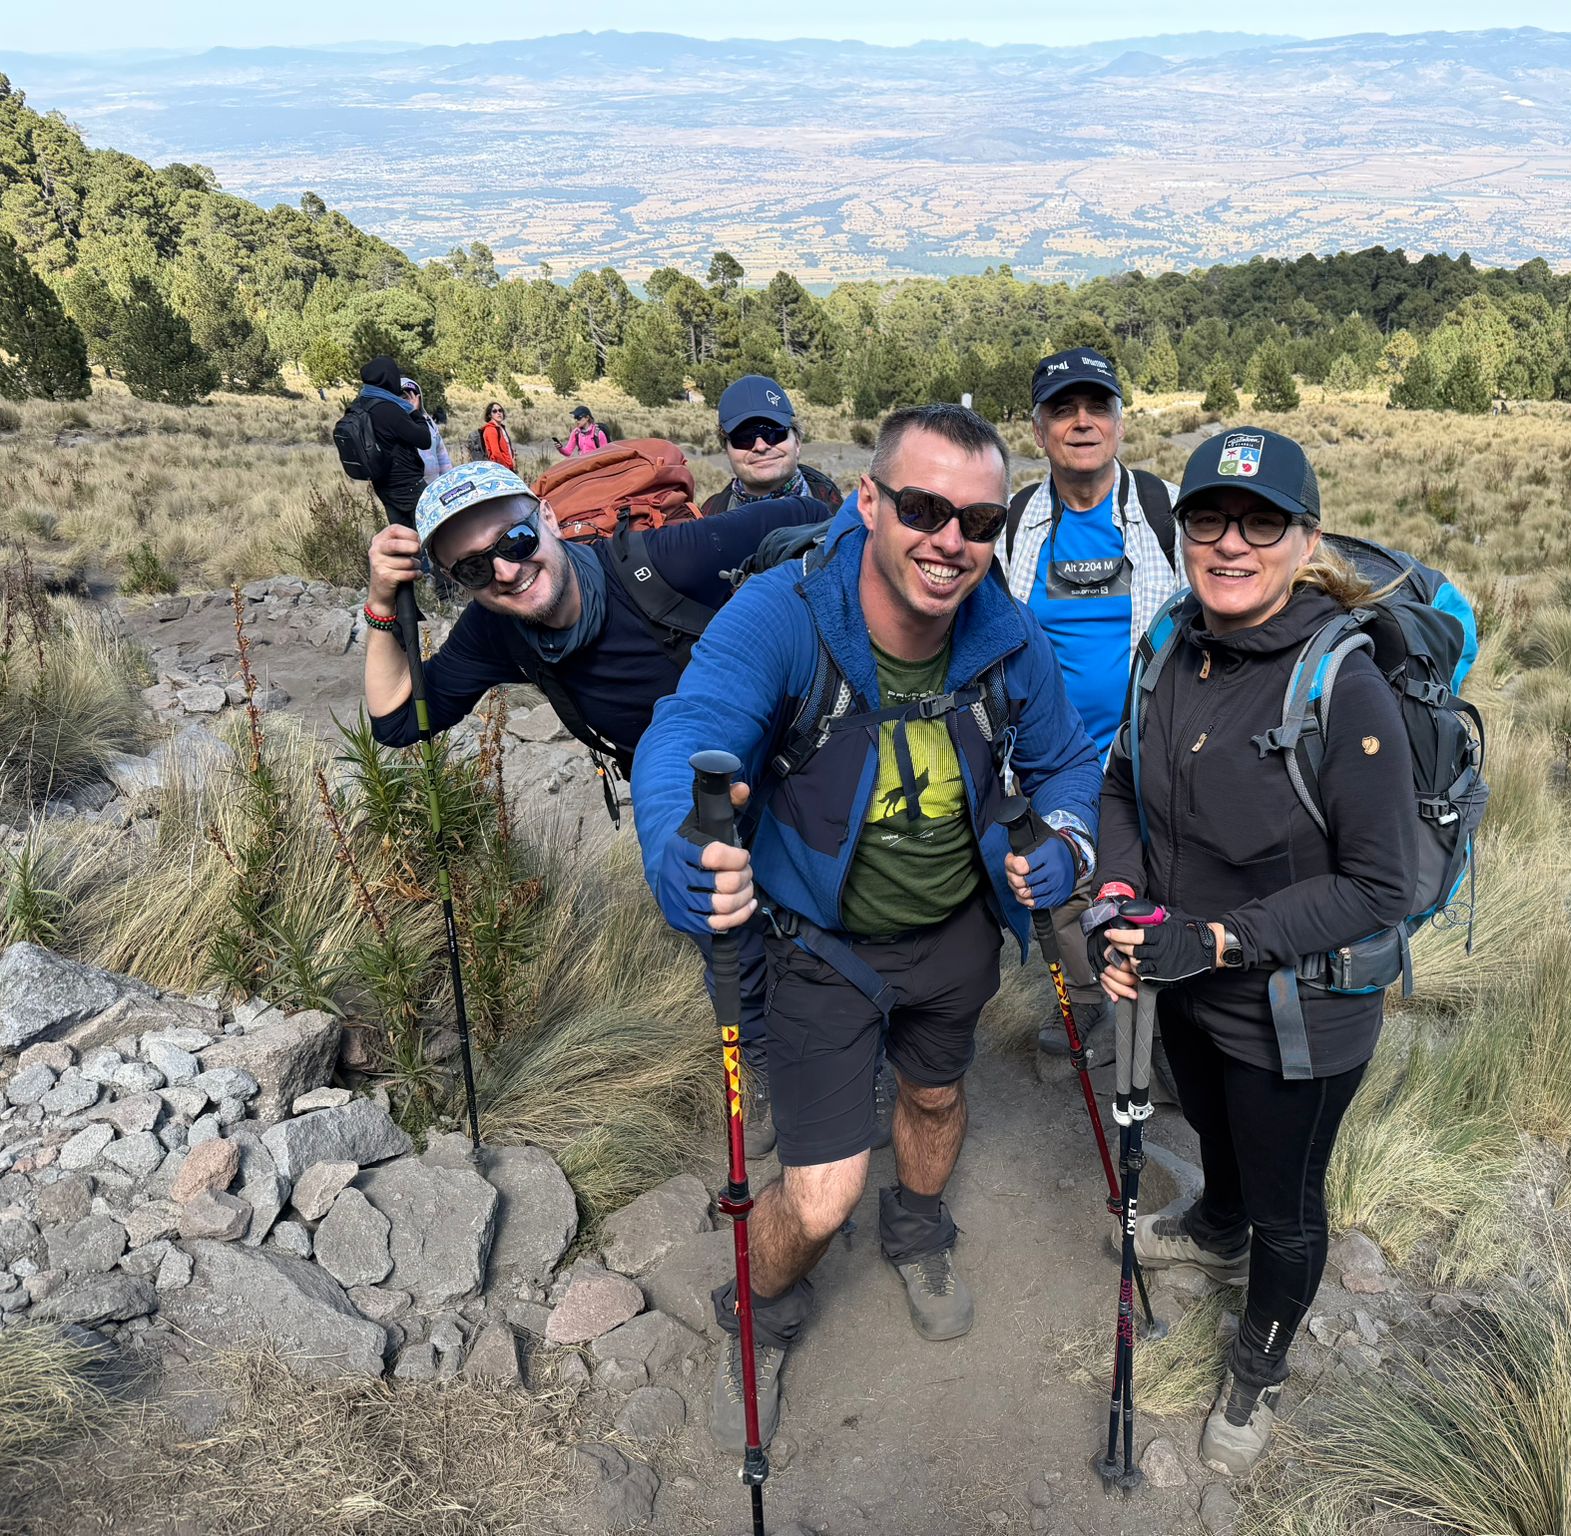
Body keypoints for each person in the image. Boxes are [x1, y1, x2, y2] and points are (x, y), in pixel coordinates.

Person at [633, 403, 1099, 1453]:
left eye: (978, 522)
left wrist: (1067, 843)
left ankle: (920, 1229)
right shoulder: (784, 617)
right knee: (822, 1194)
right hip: (818, 946)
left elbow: (1067, 761)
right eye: (924, 508)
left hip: (956, 931)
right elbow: (689, 731)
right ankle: (761, 1308)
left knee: (934, 1095)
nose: (950, 541)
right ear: (869, 501)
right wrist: (680, 852)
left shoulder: (1005, 634)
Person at [1085, 427, 1416, 1479]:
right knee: (1215, 1131)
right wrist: (1120, 898)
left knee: (1288, 1201)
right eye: (1209, 519)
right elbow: (1120, 784)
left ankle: (1259, 1362)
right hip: (1185, 979)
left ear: (1305, 540)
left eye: (1262, 522)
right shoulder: (1167, 646)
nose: (1232, 543)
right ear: (1180, 533)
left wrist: (1219, 939)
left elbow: (1382, 885)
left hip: (1296, 1009)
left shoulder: (1343, 689)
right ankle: (1213, 1224)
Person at [361, 459, 826, 1122]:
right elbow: (400, 721)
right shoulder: (497, 629)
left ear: (549, 519)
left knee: (817, 918)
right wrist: (382, 605)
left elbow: (809, 516)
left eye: (516, 540)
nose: (505, 571)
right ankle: (762, 1068)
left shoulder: (665, 562)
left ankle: (848, 1060)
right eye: (472, 569)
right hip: (685, 803)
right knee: (729, 941)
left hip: (787, 766)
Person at [1002, 346, 1179, 1077]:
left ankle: (1165, 1031)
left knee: (1163, 886)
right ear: (1038, 430)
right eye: (1063, 410)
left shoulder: (1168, 513)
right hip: (1049, 759)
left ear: (1119, 422)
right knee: (1059, 890)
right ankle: (1082, 999)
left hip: (1154, 751)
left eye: (1097, 406)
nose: (1082, 422)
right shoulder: (1014, 523)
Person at [699, 373, 843, 516]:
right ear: (726, 450)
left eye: (774, 433)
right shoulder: (707, 518)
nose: (761, 447)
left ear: (797, 441)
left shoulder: (842, 516)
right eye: (744, 438)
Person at [353, 357, 433, 524]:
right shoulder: (388, 409)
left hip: (383, 485)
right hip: (407, 484)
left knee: (401, 535)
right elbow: (424, 440)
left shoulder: (360, 404)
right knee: (430, 530)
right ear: (388, 378)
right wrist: (414, 411)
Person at [406, 379, 452, 479]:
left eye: (414, 396)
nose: (410, 401)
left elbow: (442, 455)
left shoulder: (428, 422)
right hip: (412, 484)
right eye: (405, 397)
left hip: (435, 482)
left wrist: (449, 479)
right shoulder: (395, 425)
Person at [480, 402, 517, 470]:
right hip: (500, 469)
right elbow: (496, 453)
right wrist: (505, 468)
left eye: (500, 410)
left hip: (508, 467)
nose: (498, 413)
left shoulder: (500, 428)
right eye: (494, 411)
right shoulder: (491, 430)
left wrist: (513, 459)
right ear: (489, 415)